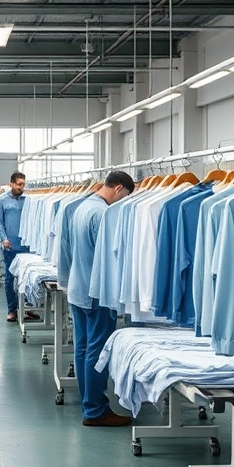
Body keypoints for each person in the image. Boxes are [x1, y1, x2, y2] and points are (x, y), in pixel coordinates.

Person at [65, 170, 135, 426]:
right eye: (125, 196)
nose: (123, 201)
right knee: (97, 350)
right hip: (96, 293)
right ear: (118, 189)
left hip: (78, 288)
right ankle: (95, 410)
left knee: (83, 348)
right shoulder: (104, 213)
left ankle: (89, 403)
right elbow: (111, 258)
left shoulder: (82, 207)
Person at [0, 171, 38, 323]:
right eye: (19, 184)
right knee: (9, 278)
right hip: (10, 246)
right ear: (11, 184)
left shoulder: (28, 201)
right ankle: (11, 310)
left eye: (23, 184)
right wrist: (4, 239)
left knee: (26, 277)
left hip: (26, 246)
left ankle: (27, 308)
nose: (21, 187)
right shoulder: (2, 201)